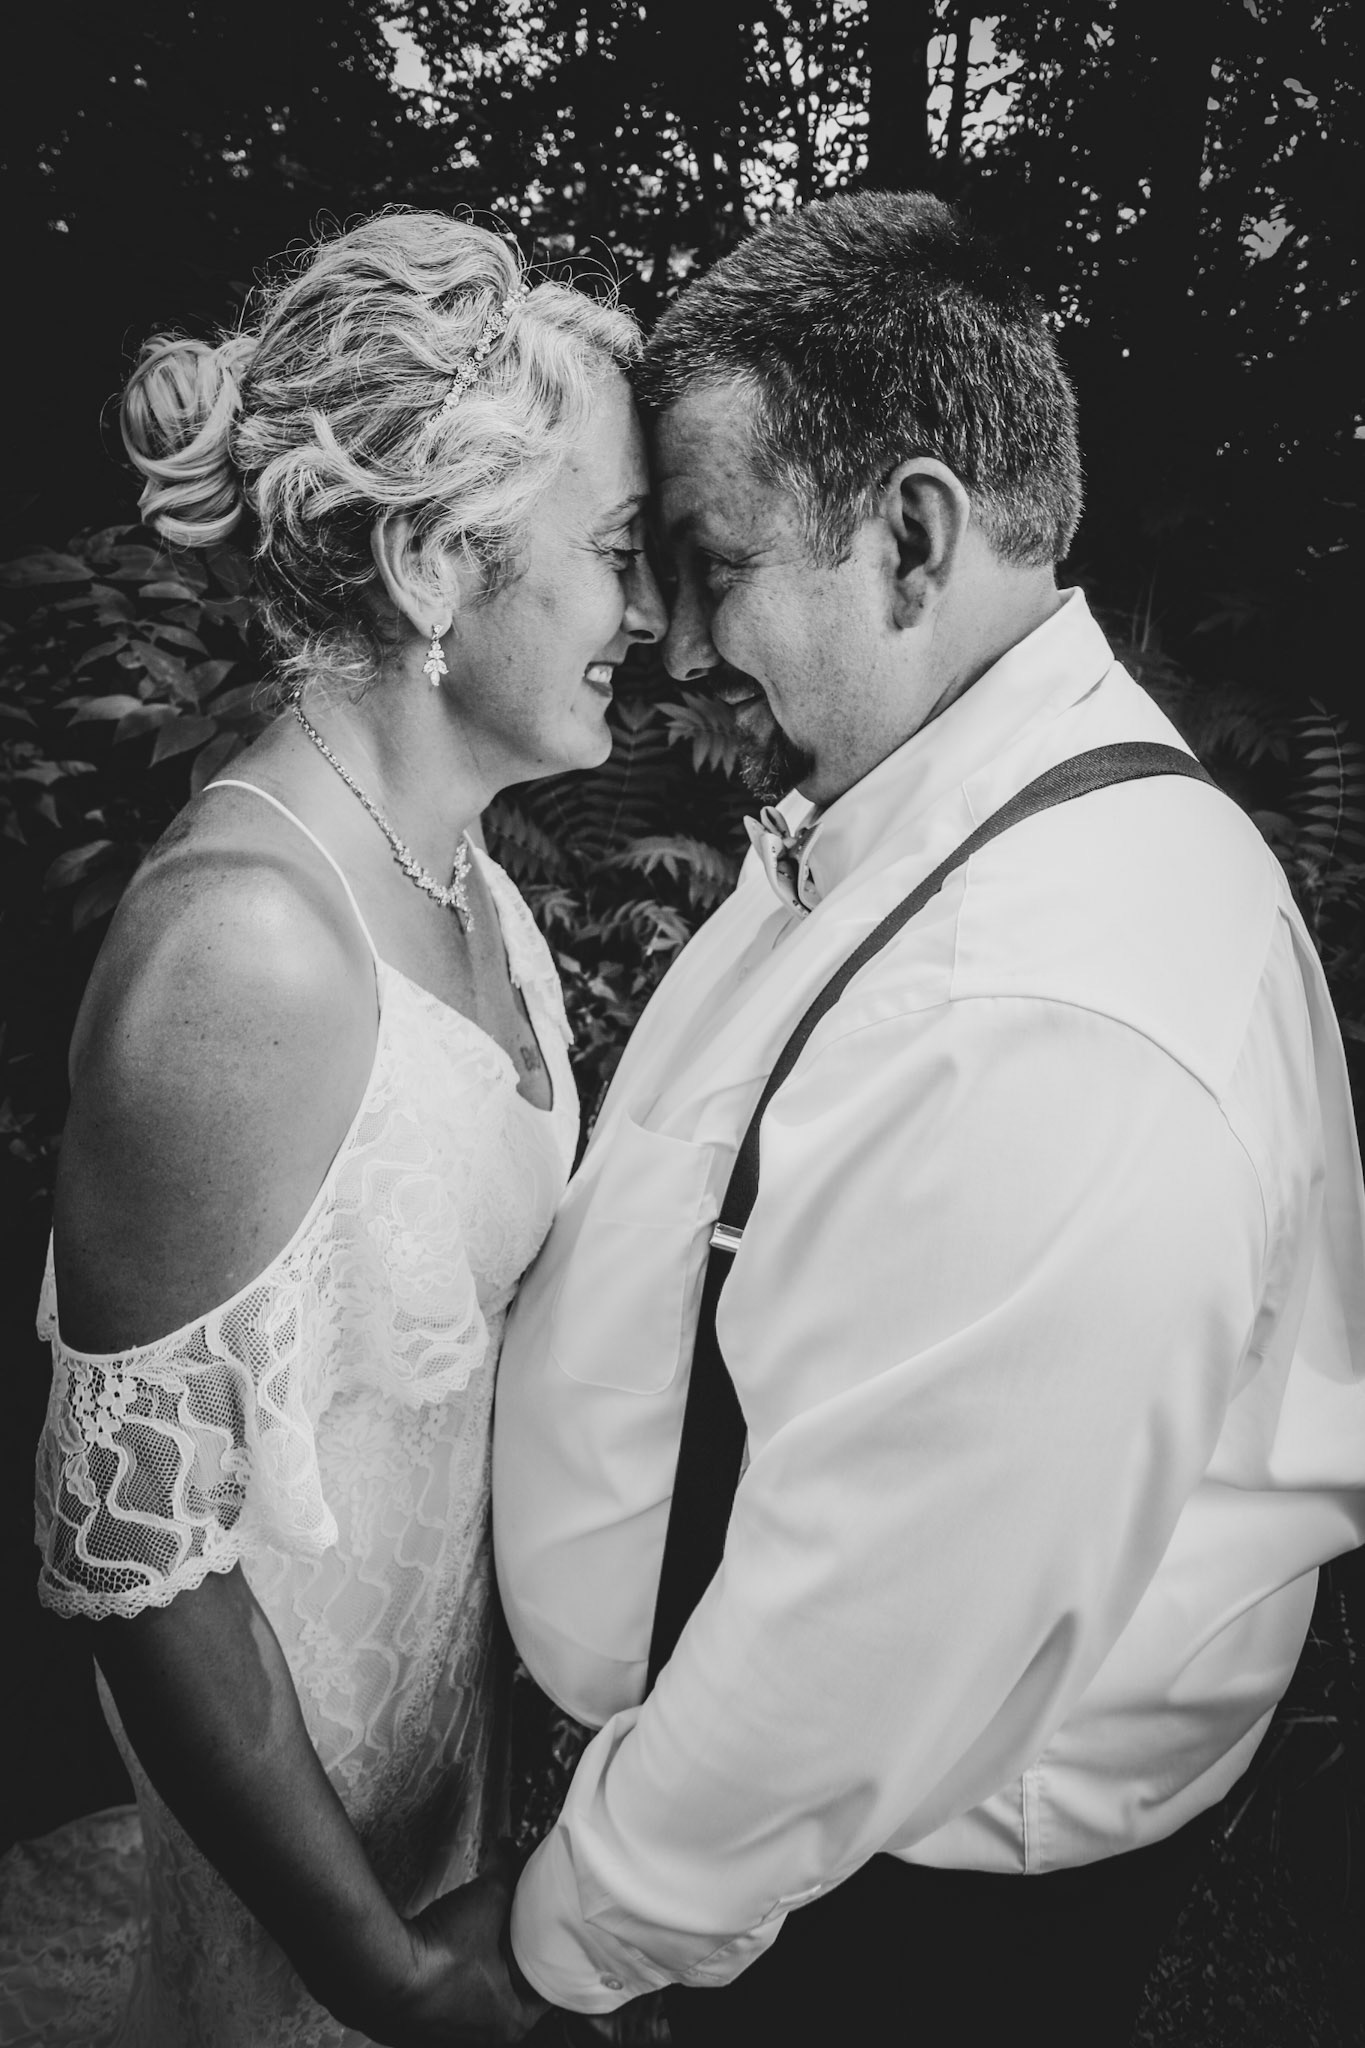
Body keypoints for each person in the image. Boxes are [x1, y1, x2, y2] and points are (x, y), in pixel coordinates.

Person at [492, 191, 1365, 2043]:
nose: (672, 646)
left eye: (714, 564)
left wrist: (579, 1934)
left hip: (876, 1921)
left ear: (909, 536)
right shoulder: (932, 807)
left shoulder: (1051, 1009)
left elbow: (863, 1635)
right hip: (805, 1861)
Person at [13, 209, 664, 2047]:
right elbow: (146, 1564)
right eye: (614, 554)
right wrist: (371, 1967)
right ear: (435, 563)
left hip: (440, 1735)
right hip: (299, 1820)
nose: (645, 617)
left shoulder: (463, 874)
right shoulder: (247, 954)